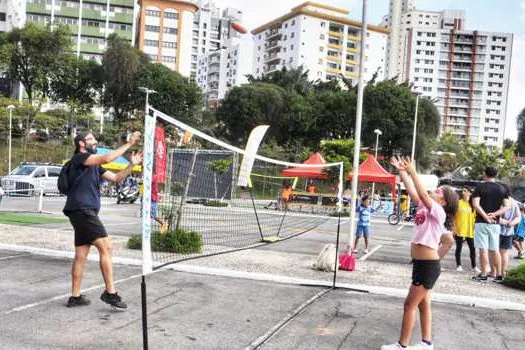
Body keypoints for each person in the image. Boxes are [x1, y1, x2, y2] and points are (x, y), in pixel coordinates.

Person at [382, 156, 458, 350]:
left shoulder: (439, 212)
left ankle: (402, 345)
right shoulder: (426, 207)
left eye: (438, 191)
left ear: (443, 201)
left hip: (427, 266)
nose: (434, 191)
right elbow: (415, 193)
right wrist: (402, 171)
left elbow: (423, 195)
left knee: (409, 305)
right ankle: (426, 343)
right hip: (422, 265)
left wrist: (414, 171)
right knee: (423, 305)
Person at [64, 131, 142, 309]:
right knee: (106, 246)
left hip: (81, 211)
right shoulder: (80, 158)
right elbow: (106, 158)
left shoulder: (94, 165)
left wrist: (131, 164)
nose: (95, 141)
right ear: (81, 144)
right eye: (91, 139)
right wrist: (129, 143)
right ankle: (110, 293)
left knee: (81, 255)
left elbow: (115, 178)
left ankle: (75, 297)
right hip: (83, 211)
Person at [470, 167, 510, 283]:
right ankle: (498, 275)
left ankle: (483, 274)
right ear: (496, 174)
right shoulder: (502, 188)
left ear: (484, 174)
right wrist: (495, 214)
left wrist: (485, 216)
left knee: (483, 249)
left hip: (481, 222)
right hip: (495, 223)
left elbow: (475, 204)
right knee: (495, 249)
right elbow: (507, 206)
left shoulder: (480, 187)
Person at [497, 185, 521, 279]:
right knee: (505, 252)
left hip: (498, 230)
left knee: (497, 252)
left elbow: (496, 216)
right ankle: (503, 272)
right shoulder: (514, 202)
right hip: (509, 231)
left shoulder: (502, 200)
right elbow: (518, 216)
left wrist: (506, 222)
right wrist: (512, 223)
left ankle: (496, 272)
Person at [453, 187, 479, 273]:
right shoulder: (458, 203)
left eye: (465, 191)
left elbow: (475, 218)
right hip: (459, 229)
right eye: (462, 190)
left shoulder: (473, 205)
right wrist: (454, 228)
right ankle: (458, 265)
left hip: (470, 230)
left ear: (470, 193)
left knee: (472, 249)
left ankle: (474, 266)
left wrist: (475, 228)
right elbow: (453, 216)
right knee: (459, 247)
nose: (463, 192)